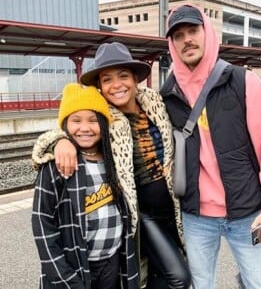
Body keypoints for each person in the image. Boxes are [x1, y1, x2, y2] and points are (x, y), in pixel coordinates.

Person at [31, 42, 191, 289]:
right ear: (100, 87)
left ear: (136, 79)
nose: (117, 85)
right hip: (142, 214)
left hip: (174, 206)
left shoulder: (155, 102)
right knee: (178, 276)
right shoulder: (103, 117)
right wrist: (60, 141)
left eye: (123, 76)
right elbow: (69, 125)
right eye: (107, 79)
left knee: (163, 272)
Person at [159, 4, 261, 289]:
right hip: (196, 216)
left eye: (193, 30)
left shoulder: (243, 82)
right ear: (171, 43)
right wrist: (60, 140)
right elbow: (122, 119)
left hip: (247, 212)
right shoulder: (167, 95)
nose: (187, 40)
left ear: (207, 32)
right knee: (201, 284)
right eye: (178, 35)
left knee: (259, 283)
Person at [31, 83, 139, 289]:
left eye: (93, 120)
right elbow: (42, 225)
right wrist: (64, 277)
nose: (85, 128)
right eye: (76, 120)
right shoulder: (56, 165)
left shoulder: (116, 161)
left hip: (113, 261)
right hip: (74, 265)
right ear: (64, 125)